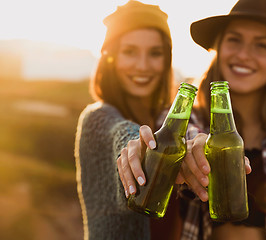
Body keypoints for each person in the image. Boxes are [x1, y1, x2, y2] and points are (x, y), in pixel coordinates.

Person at [118, 0, 266, 239]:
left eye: (261, 45)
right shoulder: (180, 125)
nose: (244, 55)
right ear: (219, 47)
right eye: (234, 39)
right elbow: (178, 146)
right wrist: (163, 157)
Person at [74, 1, 180, 239]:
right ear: (110, 57)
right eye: (129, 52)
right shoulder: (97, 119)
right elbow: (121, 135)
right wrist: (139, 145)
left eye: (155, 53)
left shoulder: (171, 121)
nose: (142, 66)